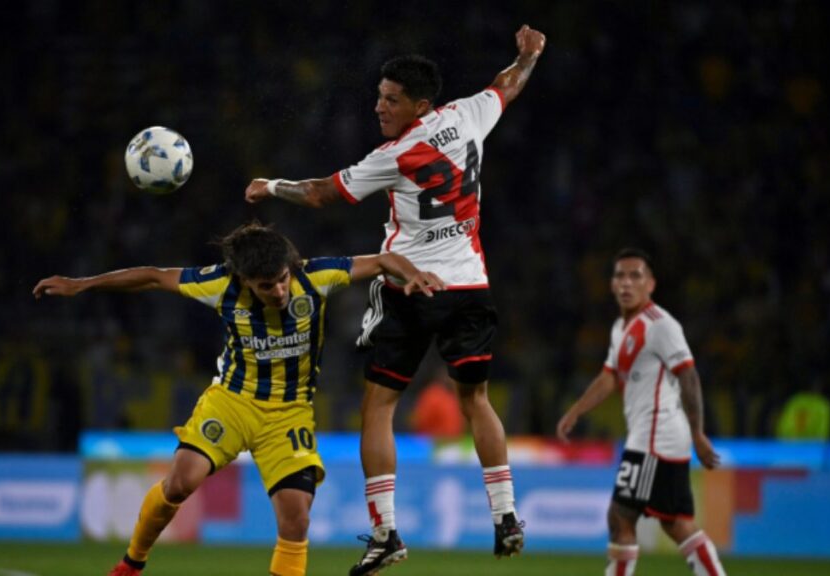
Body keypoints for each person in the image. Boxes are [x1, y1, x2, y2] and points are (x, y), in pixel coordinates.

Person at [245, 24, 546, 575]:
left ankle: (384, 532)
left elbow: (319, 193)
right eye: (379, 96)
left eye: (391, 100)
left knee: (379, 405)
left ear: (419, 105)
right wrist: (527, 56)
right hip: (470, 285)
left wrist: (271, 186)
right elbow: (508, 85)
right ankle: (505, 514)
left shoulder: (396, 154)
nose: (379, 107)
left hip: (410, 286)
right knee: (476, 400)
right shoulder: (466, 116)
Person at [32, 222, 444, 576]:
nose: (280, 291)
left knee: (296, 516)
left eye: (282, 278)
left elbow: (384, 259)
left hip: (289, 413)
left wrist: (415, 273)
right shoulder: (218, 285)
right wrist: (82, 284)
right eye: (267, 286)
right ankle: (131, 563)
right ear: (244, 279)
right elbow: (155, 276)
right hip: (232, 402)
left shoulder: (316, 277)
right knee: (180, 483)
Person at [556, 248, 727, 576]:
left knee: (620, 516)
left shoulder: (660, 325)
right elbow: (609, 378)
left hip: (654, 436)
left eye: (635, 276)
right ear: (611, 284)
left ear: (651, 284)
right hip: (656, 437)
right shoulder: (621, 328)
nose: (626, 282)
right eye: (620, 275)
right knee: (675, 523)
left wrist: (698, 434)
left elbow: (688, 376)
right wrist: (576, 411)